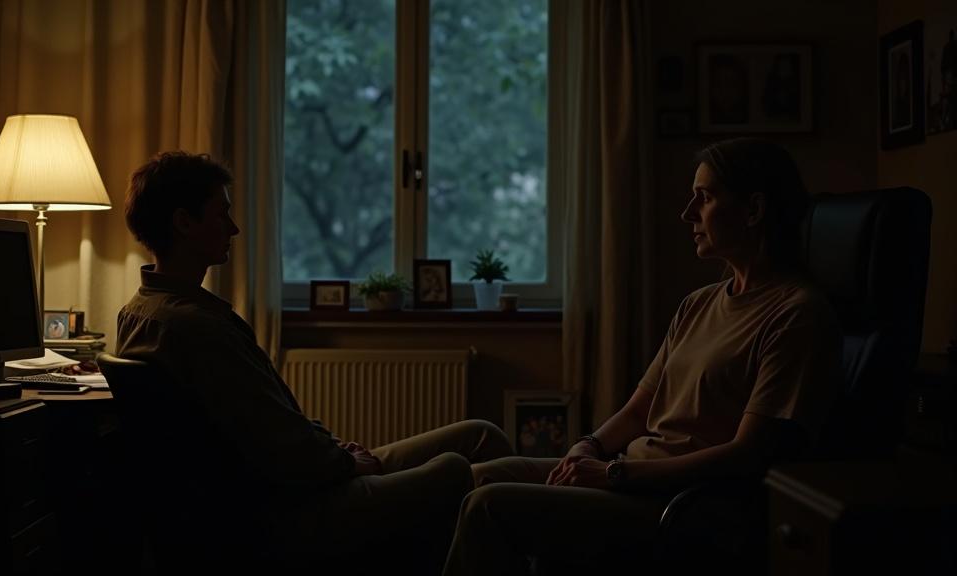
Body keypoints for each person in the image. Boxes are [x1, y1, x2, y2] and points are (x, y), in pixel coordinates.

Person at [443, 138, 843, 575]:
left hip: (679, 504)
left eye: (705, 197)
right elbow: (639, 410)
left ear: (754, 210)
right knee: (479, 476)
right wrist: (588, 446)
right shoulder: (698, 304)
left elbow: (747, 454)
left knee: (488, 506)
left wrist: (613, 475)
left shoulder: (796, 315)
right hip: (628, 473)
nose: (688, 213)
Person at [116, 151, 513, 574]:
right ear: (183, 222)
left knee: (479, 437)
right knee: (453, 470)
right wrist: (345, 463)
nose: (233, 228)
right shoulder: (196, 328)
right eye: (221, 214)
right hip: (279, 516)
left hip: (293, 484)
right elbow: (278, 449)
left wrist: (335, 449)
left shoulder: (139, 312)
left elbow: (269, 424)